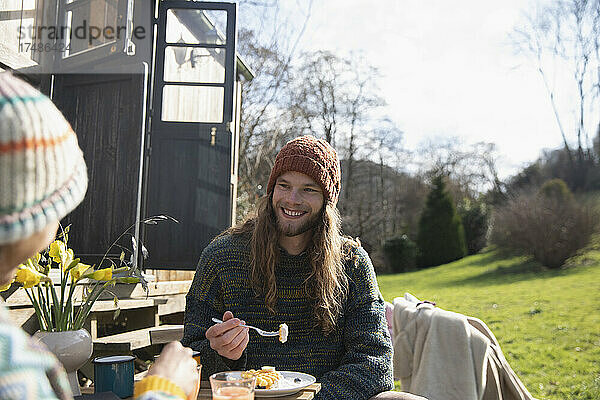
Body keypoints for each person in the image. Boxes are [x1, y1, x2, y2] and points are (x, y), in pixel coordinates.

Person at [0, 72, 198, 400]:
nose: (53, 237)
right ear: (26, 216)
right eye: (56, 209)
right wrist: (165, 391)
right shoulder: (11, 366)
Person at [182, 135, 426, 400]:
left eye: (309, 189)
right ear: (271, 190)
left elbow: (375, 362)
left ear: (327, 200)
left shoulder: (352, 263)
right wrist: (222, 354)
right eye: (284, 185)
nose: (292, 199)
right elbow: (188, 358)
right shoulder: (222, 257)